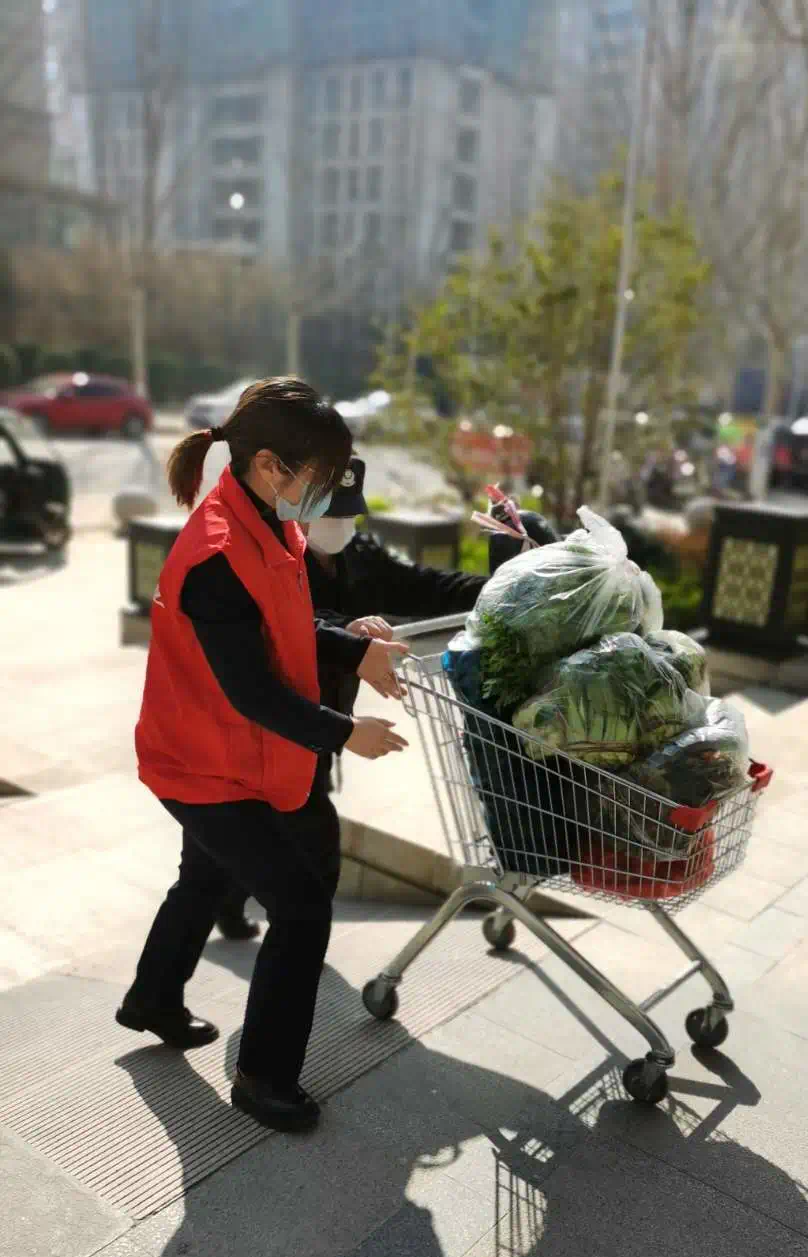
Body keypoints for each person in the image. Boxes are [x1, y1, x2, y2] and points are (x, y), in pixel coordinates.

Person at [117, 377, 409, 1134]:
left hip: (230, 753)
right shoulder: (217, 552)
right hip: (202, 761)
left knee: (205, 875)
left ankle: (152, 998)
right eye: (322, 475)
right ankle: (264, 1079)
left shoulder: (265, 521)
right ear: (272, 466)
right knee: (301, 904)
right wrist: (345, 733)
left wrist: (351, 646)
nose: (329, 491)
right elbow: (252, 690)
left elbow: (284, 623)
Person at [213, 503, 558, 940]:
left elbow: (422, 586)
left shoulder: (358, 556)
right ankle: (276, 934)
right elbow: (293, 622)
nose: (338, 525)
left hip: (323, 714)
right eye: (329, 513)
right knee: (301, 834)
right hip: (279, 714)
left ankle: (236, 905)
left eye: (346, 515)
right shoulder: (274, 557)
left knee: (279, 821)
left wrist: (502, 587)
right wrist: (350, 634)